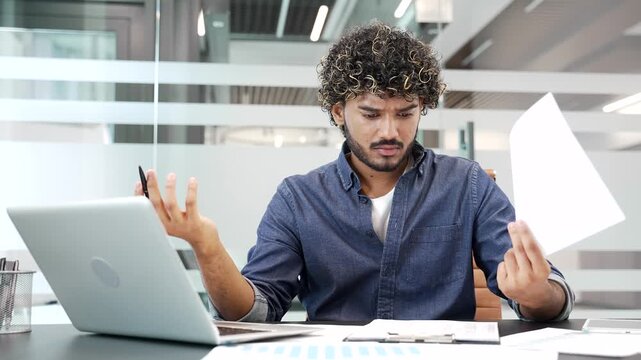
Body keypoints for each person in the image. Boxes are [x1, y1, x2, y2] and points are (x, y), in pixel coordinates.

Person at [136, 21, 574, 322]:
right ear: (337, 111)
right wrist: (205, 246)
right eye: (370, 113)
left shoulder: (468, 185)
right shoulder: (298, 199)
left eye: (405, 113)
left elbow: (550, 295)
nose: (390, 130)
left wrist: (535, 295)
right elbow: (253, 312)